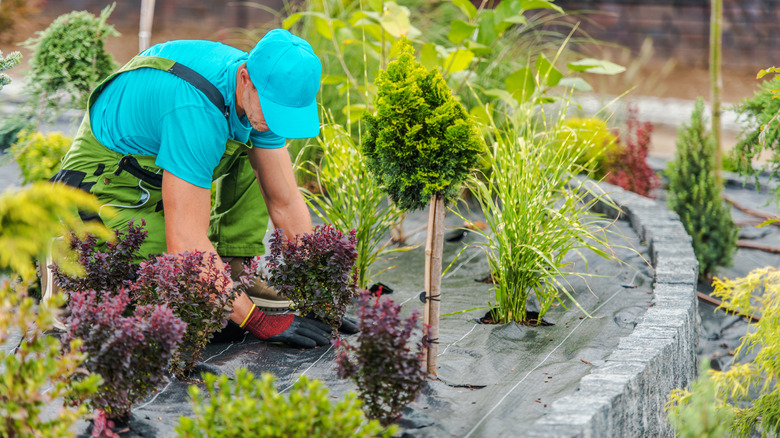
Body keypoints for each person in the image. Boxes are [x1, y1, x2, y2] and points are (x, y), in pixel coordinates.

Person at [49, 29, 342, 348]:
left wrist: (320, 301)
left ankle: (235, 270)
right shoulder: (196, 109)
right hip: (103, 182)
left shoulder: (258, 99)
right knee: (177, 308)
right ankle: (64, 253)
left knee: (259, 156)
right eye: (272, 111)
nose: (274, 123)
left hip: (157, 172)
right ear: (245, 77)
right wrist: (256, 320)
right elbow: (186, 244)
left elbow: (284, 201)